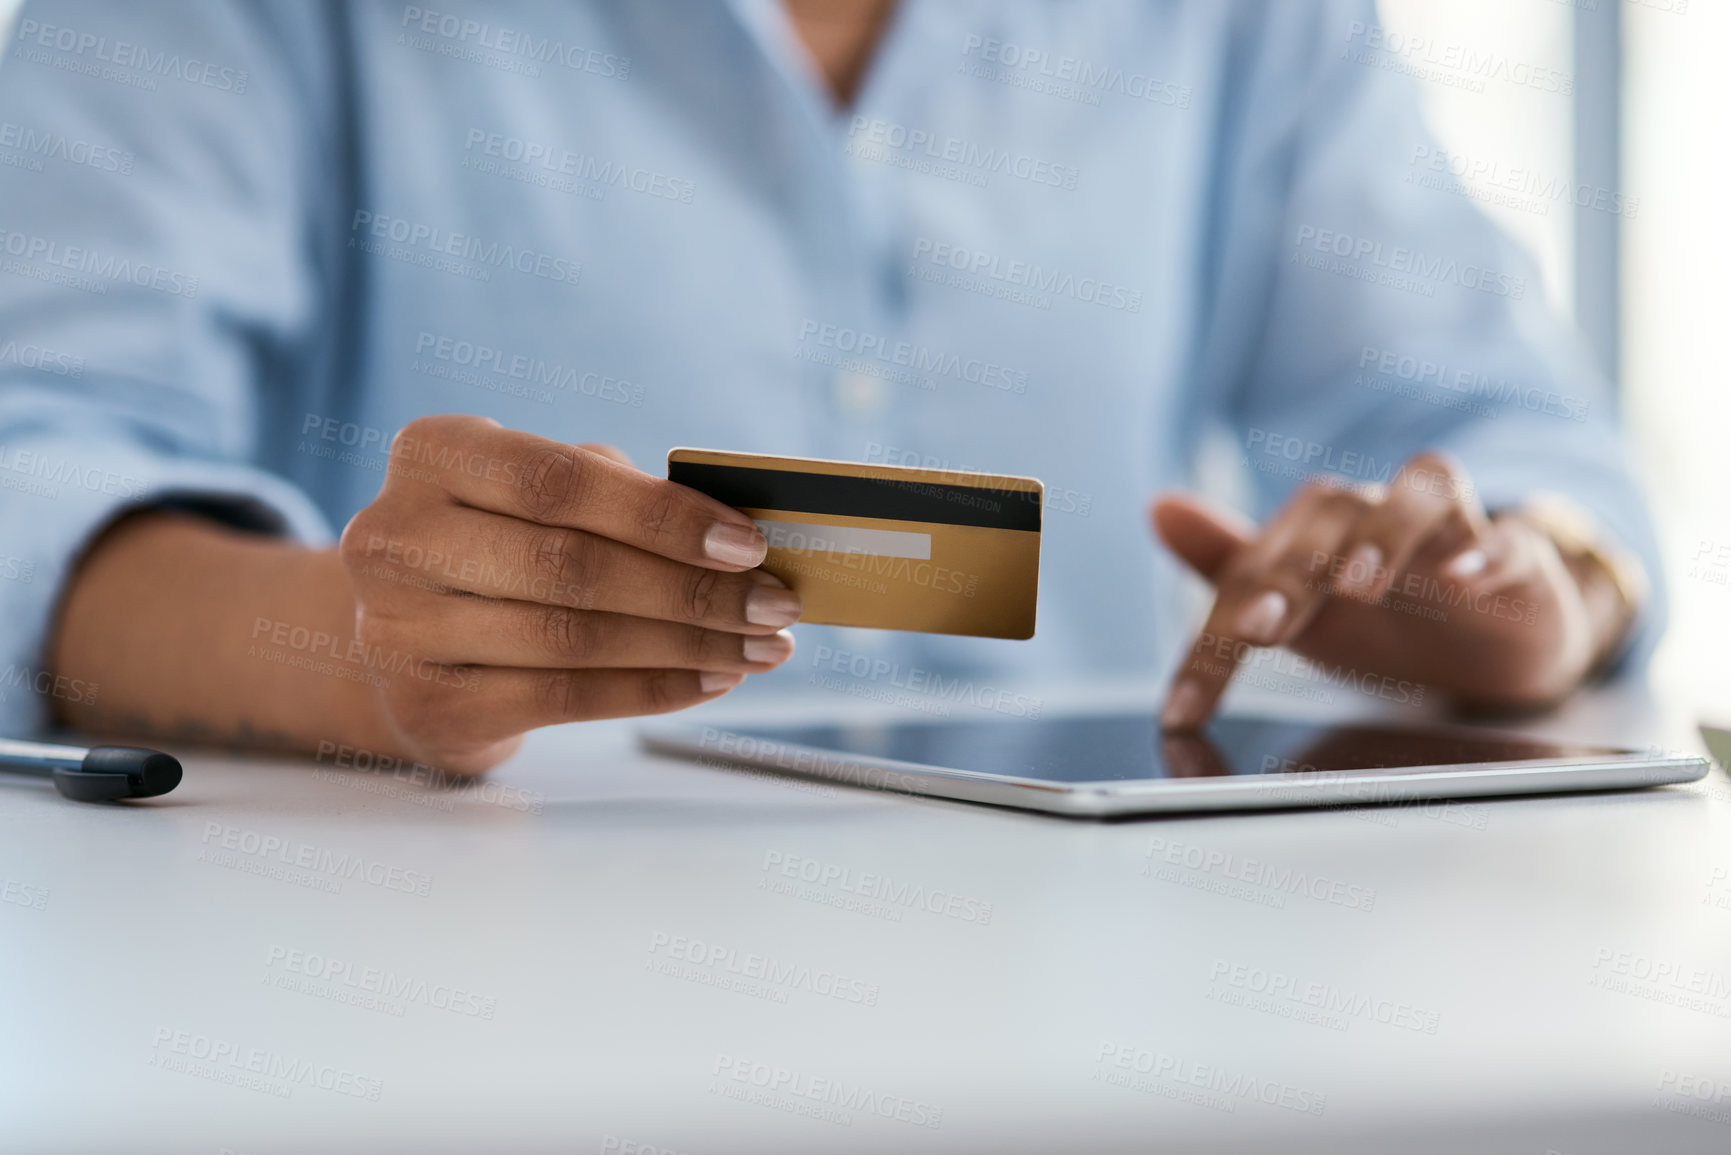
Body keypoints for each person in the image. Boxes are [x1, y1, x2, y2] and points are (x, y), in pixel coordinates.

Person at [0, 0, 1658, 775]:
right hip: (442, 999)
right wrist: (356, 652)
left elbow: (1510, 431)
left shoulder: (1243, 25)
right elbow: (35, 468)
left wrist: (1531, 587)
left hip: (1111, 1001)